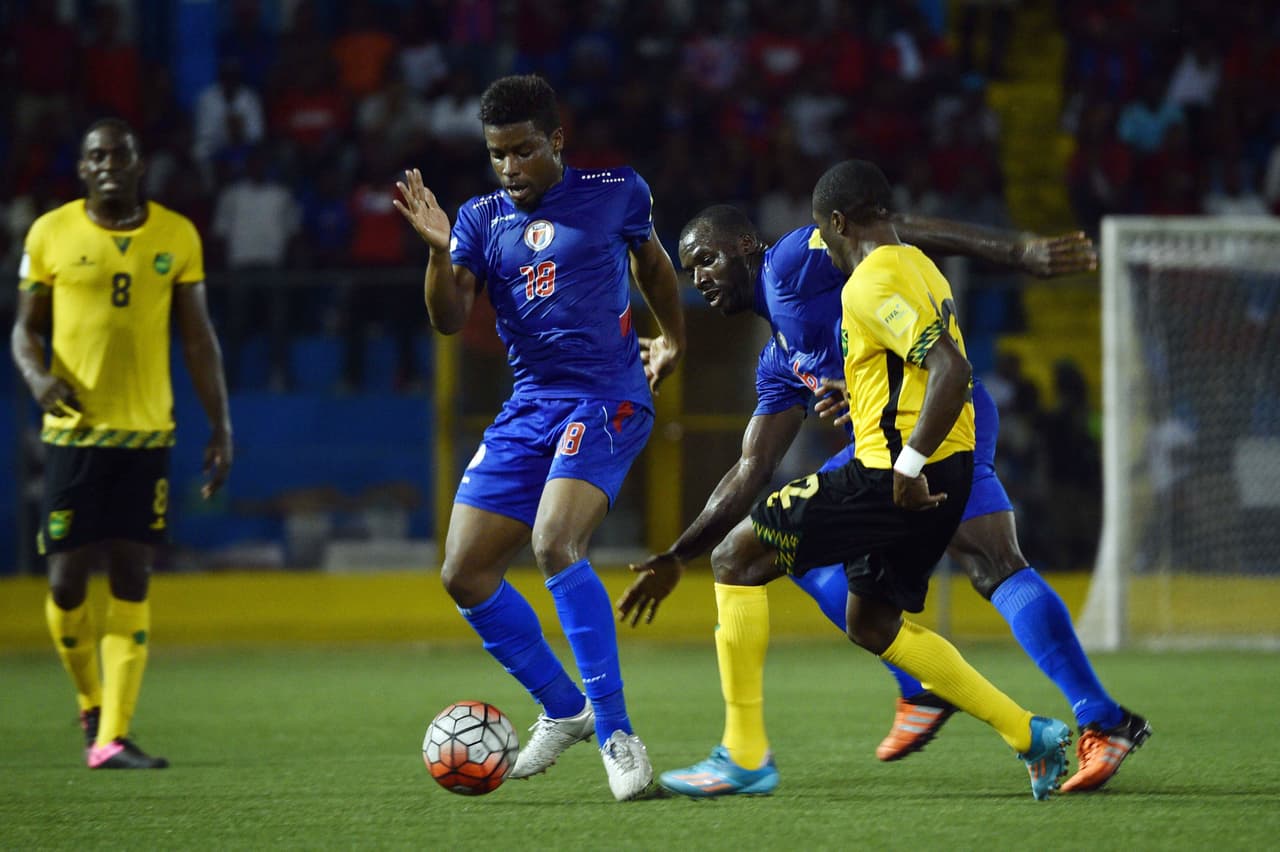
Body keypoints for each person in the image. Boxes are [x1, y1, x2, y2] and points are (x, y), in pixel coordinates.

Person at [618, 202, 1149, 794]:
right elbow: (749, 469)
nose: (701, 279)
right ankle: (1041, 710)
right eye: (690, 272)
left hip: (938, 417)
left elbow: (890, 227)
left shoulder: (791, 261)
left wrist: (1015, 251)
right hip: (893, 441)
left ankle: (770, 744)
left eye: (707, 260)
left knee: (768, 553)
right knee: (810, 556)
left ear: (746, 245)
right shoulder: (779, 363)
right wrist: (675, 553)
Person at [393, 74, 685, 802]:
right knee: (463, 571)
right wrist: (436, 253)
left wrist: (672, 339)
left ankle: (618, 734)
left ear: (557, 141)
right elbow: (449, 319)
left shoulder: (618, 189)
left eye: (523, 152)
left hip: (609, 396)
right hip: (531, 406)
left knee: (557, 542)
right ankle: (565, 708)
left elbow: (654, 266)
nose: (510, 169)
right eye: (498, 156)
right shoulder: (479, 217)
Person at [10, 118, 233, 769]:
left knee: (134, 573)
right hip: (74, 433)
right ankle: (88, 703)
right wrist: (37, 378)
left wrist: (221, 425)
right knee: (66, 581)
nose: (108, 164)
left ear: (140, 165)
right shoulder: (49, 233)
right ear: (82, 168)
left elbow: (198, 339)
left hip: (146, 433)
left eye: (120, 154)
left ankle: (112, 736)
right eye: (96, 155)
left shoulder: (176, 234)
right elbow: (24, 332)